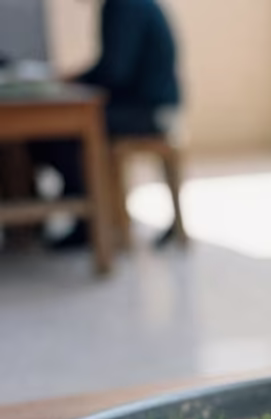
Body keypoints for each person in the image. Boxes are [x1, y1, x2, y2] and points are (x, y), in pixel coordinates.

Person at [32, 0, 181, 248]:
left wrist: (71, 81)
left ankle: (88, 222)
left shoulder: (122, 6)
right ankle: (88, 214)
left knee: (60, 134)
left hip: (148, 109)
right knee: (59, 133)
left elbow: (114, 72)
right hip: (149, 104)